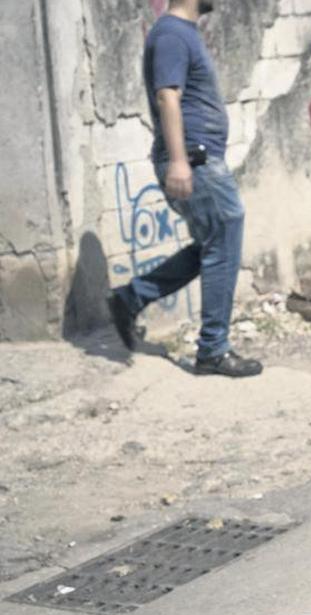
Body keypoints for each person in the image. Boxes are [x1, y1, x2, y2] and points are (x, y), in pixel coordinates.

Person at [106, 0, 262, 377]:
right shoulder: (172, 34)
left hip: (199, 157)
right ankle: (212, 350)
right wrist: (178, 160)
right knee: (225, 233)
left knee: (214, 244)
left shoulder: (182, 33)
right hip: (193, 158)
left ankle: (130, 298)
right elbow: (167, 96)